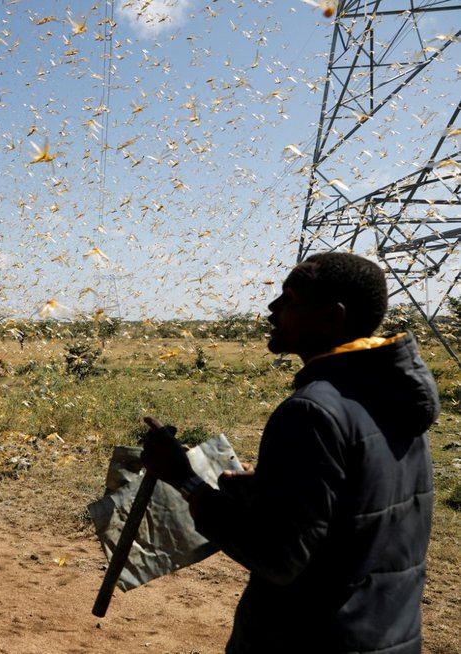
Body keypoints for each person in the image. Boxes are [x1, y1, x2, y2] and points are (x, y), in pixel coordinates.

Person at [141, 252, 438, 654]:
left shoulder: (311, 411)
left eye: (290, 299)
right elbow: (363, 502)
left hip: (311, 638)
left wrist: (184, 478)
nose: (272, 308)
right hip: (388, 634)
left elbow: (279, 557)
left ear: (332, 317)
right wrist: (269, 490)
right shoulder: (396, 396)